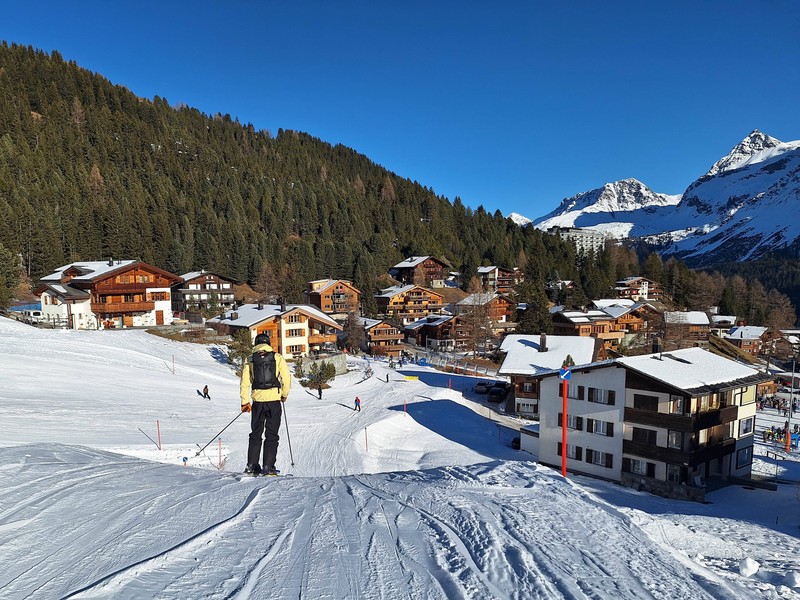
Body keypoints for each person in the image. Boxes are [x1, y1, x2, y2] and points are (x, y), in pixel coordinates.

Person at [240, 333, 291, 476]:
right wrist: (284, 394)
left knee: (256, 433)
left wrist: (245, 402)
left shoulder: (249, 359)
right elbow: (286, 378)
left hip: (257, 402)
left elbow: (245, 382)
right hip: (274, 401)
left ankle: (252, 465)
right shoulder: (277, 357)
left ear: (256, 343)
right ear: (269, 343)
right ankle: (268, 466)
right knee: (271, 434)